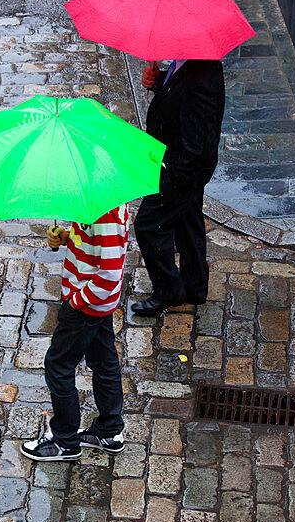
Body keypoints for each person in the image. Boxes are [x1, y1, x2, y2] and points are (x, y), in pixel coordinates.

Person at [21, 204, 128, 462]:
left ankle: (65, 440)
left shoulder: (106, 212)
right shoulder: (97, 201)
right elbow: (94, 245)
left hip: (87, 304)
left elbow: (110, 273)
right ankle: (109, 431)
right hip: (95, 303)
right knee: (104, 361)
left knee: (58, 365)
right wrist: (69, 237)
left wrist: (74, 303)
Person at [132, 58, 225, 317]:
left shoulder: (200, 81)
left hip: (181, 170)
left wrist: (173, 176)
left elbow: (199, 146)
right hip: (182, 166)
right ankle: (195, 286)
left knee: (148, 225)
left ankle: (168, 290)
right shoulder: (188, 64)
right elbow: (178, 98)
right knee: (187, 219)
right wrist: (160, 81)